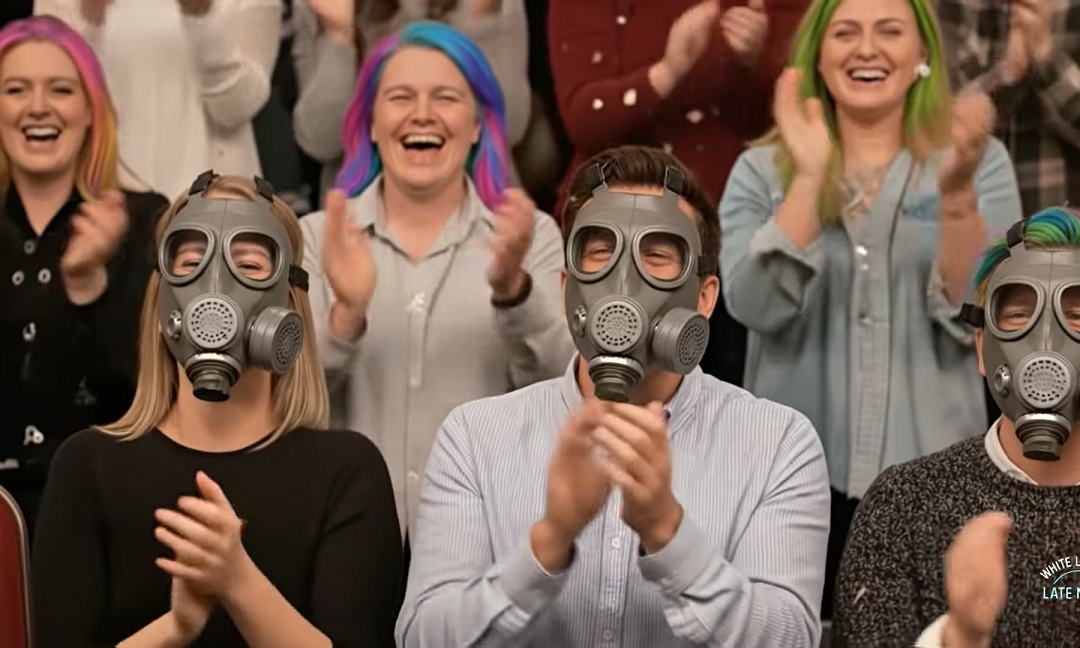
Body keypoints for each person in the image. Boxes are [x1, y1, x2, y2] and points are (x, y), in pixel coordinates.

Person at [397, 145, 830, 647]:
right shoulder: (474, 438)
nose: (623, 283)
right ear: (566, 287)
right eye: (601, 252)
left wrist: (668, 534)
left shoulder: (778, 445)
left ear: (705, 297)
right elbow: (423, 637)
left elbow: (790, 638)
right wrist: (549, 542)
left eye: (657, 255)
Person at [717, 0, 1022, 617]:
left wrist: (957, 198)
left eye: (890, 31)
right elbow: (751, 303)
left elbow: (988, 317)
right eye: (845, 32)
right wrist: (808, 179)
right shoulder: (759, 170)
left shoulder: (980, 161)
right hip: (788, 486)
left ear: (923, 54)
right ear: (817, 55)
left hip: (938, 480)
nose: (866, 49)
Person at [32, 171, 403, 647]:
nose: (216, 288)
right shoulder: (87, 468)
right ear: (162, 303)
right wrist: (176, 628)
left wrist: (238, 582)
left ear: (288, 304)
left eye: (248, 266)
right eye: (191, 263)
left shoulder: (347, 473)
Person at [832, 191, 1080, 647]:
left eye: (1078, 317)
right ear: (983, 348)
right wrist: (959, 637)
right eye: (1019, 316)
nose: (1046, 343)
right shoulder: (903, 505)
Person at [301, 21, 571, 536]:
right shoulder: (317, 237)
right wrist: (345, 317)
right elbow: (285, 401)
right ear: (371, 124)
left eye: (445, 97)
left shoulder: (531, 236)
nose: (422, 113)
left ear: (477, 125)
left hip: (488, 532)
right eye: (400, 97)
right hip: (345, 535)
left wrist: (513, 293)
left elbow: (563, 388)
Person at [547, 0, 809, 388]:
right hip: (615, 241)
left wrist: (763, 57)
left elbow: (819, 111)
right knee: (606, 400)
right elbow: (582, 119)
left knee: (727, 414)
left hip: (739, 244)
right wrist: (666, 73)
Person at [0, 15, 168, 532]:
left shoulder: (145, 219)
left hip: (104, 513)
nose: (38, 106)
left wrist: (89, 288)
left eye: (61, 89)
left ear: (92, 112)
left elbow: (155, 395)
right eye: (15, 89)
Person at [35, 0, 282, 201]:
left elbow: (237, 108)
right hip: (105, 203)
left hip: (214, 206)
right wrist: (92, 24)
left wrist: (201, 18)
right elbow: (51, 102)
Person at [934, 0, 1080, 218]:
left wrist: (1048, 62)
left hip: (1065, 231)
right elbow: (920, 112)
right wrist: (1002, 76)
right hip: (948, 223)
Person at [292, 0, 532, 195]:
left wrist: (481, 23)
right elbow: (321, 142)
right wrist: (339, 35)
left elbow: (510, 127)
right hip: (362, 221)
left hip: (482, 216)